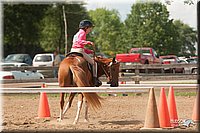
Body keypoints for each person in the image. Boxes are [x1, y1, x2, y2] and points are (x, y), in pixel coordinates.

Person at [70, 20, 102, 87]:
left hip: (72, 50)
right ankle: (95, 79)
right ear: (86, 27)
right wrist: (88, 42)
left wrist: (89, 51)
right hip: (79, 51)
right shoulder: (83, 33)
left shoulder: (76, 34)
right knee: (94, 63)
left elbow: (78, 45)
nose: (90, 30)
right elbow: (79, 42)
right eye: (90, 28)